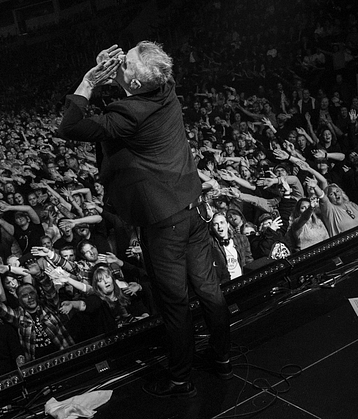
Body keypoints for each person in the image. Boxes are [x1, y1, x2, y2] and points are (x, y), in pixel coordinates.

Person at [57, 41, 232, 398]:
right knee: (209, 290)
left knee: (175, 304)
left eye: (127, 60)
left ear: (136, 85)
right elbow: (137, 85)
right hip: (192, 209)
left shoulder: (128, 114)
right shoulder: (165, 90)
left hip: (164, 223)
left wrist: (90, 81)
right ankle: (223, 357)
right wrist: (119, 75)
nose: (121, 58)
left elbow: (70, 126)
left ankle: (181, 379)